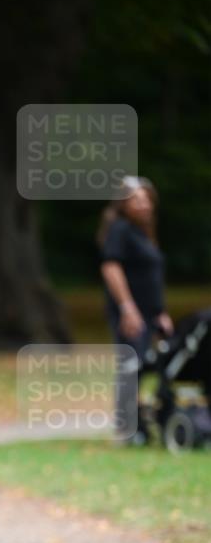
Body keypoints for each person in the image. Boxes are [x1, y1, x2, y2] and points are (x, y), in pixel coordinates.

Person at [98, 175, 173, 444]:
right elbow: (111, 267)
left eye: (146, 199)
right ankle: (127, 428)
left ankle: (143, 422)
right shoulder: (120, 230)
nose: (143, 204)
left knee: (146, 366)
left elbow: (151, 278)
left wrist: (160, 312)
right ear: (123, 204)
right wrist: (127, 307)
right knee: (130, 366)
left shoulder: (143, 234)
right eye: (136, 199)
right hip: (131, 313)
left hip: (149, 314)